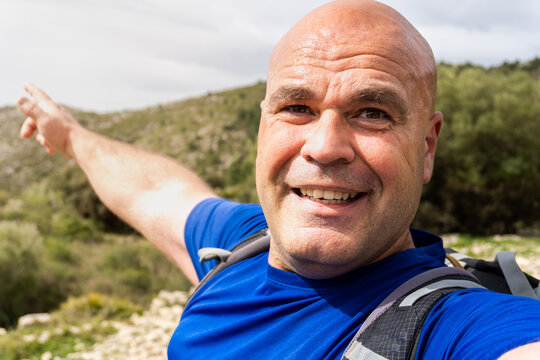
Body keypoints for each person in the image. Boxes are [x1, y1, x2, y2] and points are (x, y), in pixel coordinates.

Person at [16, 0, 540, 359]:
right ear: (263, 125)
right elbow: (154, 191)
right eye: (297, 107)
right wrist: (69, 136)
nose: (325, 147)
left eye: (373, 113)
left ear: (426, 146)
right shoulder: (244, 243)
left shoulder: (455, 328)